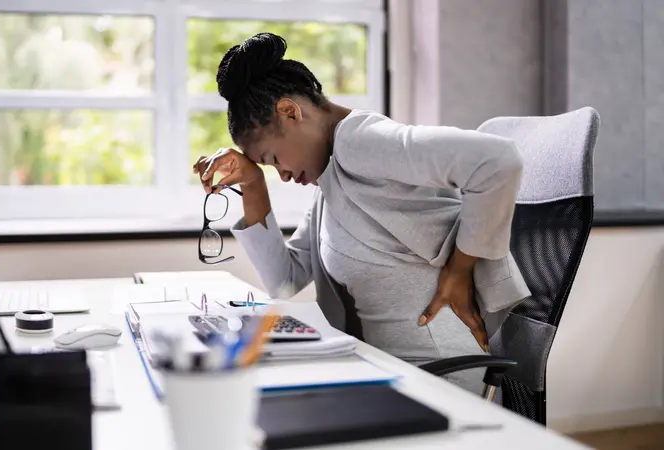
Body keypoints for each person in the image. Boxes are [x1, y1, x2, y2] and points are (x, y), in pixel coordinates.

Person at [193, 33, 530, 394]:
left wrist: (460, 271)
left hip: (433, 373)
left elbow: (497, 161)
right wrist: (253, 184)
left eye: (274, 159)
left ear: (290, 112)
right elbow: (284, 281)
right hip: (382, 366)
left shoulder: (361, 142)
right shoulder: (332, 180)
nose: (284, 176)